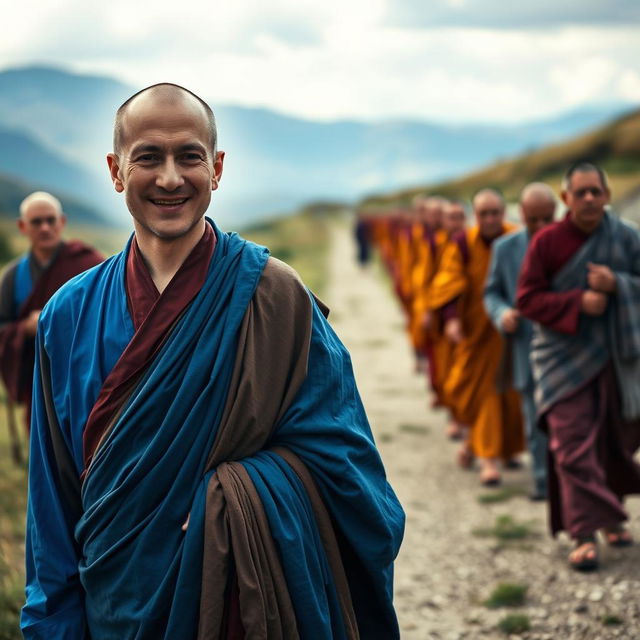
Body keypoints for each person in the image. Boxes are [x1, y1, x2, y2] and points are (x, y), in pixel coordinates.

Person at [21, 83, 404, 639]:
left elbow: (351, 474)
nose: (171, 178)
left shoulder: (274, 298)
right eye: (148, 157)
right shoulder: (69, 315)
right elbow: (51, 504)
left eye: (190, 156)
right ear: (116, 170)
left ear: (217, 167)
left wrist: (222, 504)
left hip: (242, 606)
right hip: (114, 608)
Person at [517, 162, 640, 571]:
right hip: (561, 360)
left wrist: (617, 286)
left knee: (613, 442)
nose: (589, 199)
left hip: (618, 359)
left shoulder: (626, 238)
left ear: (606, 195)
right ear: (566, 200)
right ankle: (586, 532)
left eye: (596, 191)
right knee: (571, 449)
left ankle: (607, 518)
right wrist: (578, 302)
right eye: (580, 192)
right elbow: (528, 301)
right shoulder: (547, 242)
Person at [429, 188, 524, 485]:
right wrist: (452, 320)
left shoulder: (518, 239)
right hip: (476, 333)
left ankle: (490, 454)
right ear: (476, 215)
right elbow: (449, 283)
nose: (492, 219)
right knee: (477, 393)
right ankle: (488, 455)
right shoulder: (463, 243)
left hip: (513, 331)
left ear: (504, 213)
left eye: (496, 212)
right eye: (485, 213)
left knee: (510, 394)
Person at [0, 192, 103, 431]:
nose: (45, 228)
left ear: (62, 222)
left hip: (86, 379)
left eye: (51, 220)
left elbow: (109, 315)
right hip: (39, 382)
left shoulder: (89, 264)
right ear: (22, 226)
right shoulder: (14, 276)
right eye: (36, 222)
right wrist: (24, 328)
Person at [484, 183, 556, 500]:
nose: (540, 227)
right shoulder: (505, 247)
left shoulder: (569, 243)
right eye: (533, 219)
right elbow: (491, 292)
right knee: (534, 421)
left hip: (565, 348)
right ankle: (543, 482)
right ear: (521, 214)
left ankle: (569, 483)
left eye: (547, 219)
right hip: (525, 345)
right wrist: (502, 315)